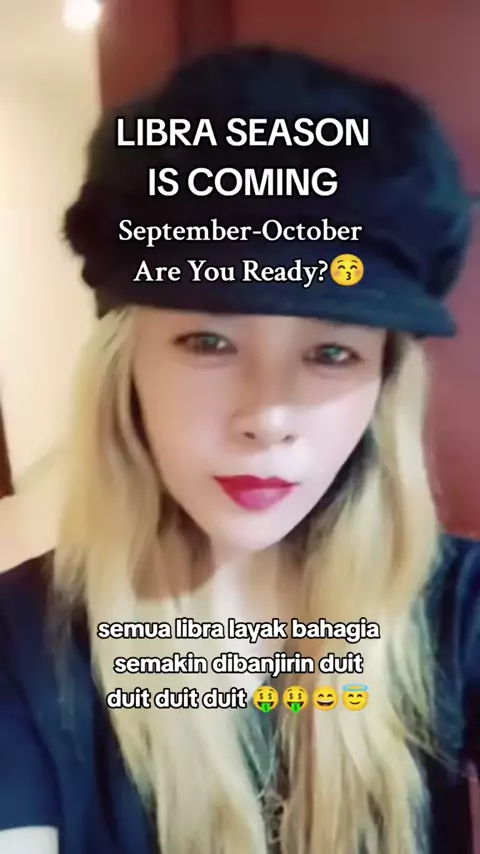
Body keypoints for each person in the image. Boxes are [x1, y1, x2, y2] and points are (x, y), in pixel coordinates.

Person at [0, 46, 478, 854]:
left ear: (382, 387)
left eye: (332, 352)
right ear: (127, 366)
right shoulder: (20, 642)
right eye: (209, 340)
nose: (267, 416)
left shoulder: (458, 608)